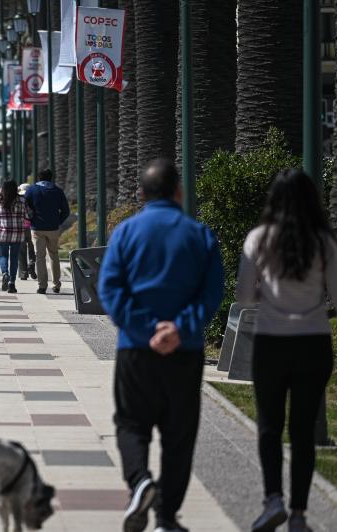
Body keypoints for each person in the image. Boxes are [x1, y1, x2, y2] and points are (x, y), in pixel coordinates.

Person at [97, 159, 224, 532]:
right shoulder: (200, 234)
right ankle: (167, 517)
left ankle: (140, 482)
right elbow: (211, 292)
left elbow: (110, 289)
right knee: (179, 434)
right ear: (179, 192)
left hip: (135, 349)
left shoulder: (125, 233)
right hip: (184, 352)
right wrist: (179, 329)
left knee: (131, 423)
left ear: (140, 193)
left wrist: (146, 327)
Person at [236, 169, 337, 532]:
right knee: (303, 431)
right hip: (313, 343)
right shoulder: (323, 242)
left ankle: (273, 500)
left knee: (270, 427)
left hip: (272, 342)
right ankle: (300, 515)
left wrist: (266, 295)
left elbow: (243, 296)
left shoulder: (258, 239)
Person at [24, 168, 70, 294]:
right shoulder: (57, 190)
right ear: (51, 178)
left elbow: (25, 205)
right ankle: (56, 284)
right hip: (53, 228)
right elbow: (66, 210)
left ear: (39, 177)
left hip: (37, 228)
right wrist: (58, 221)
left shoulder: (32, 190)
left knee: (40, 256)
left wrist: (31, 218)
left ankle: (42, 285)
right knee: (54, 255)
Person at [0, 179, 26, 293]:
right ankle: (12, 283)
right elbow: (29, 214)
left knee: (3, 256)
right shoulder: (22, 200)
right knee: (14, 257)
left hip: (3, 232)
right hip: (17, 233)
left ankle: (5, 273)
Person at [17, 183, 37, 281]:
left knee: (21, 250)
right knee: (32, 248)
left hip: (20, 227)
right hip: (31, 227)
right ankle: (31, 264)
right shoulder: (32, 199)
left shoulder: (18, 200)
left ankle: (23, 273)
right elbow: (32, 213)